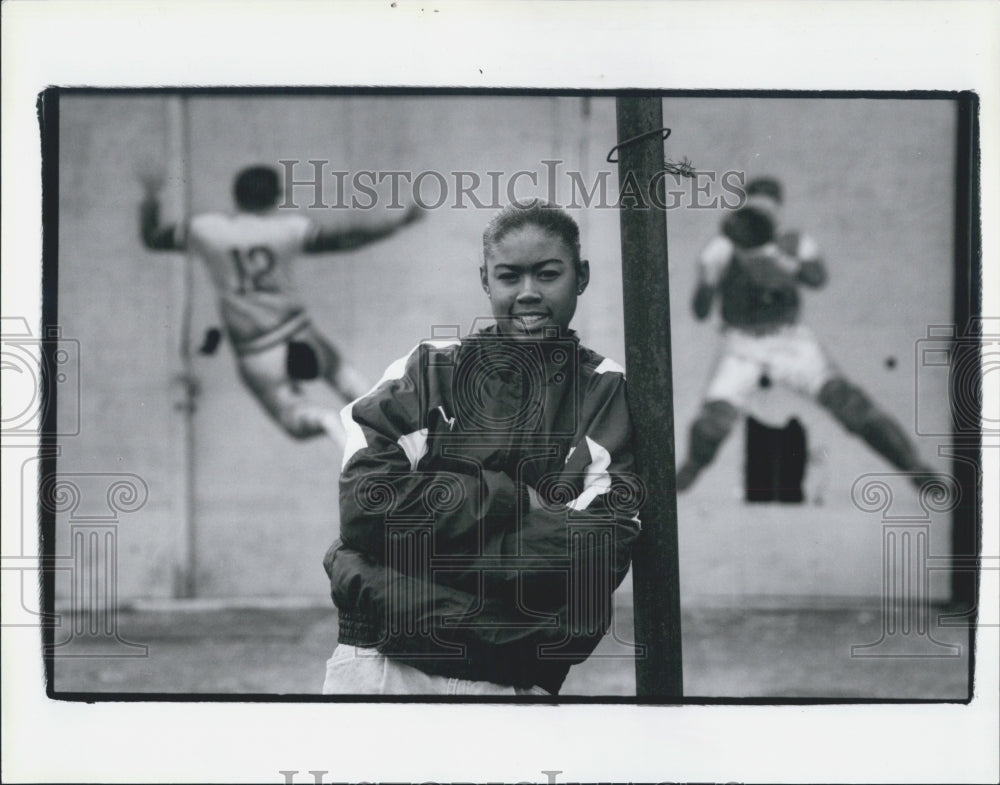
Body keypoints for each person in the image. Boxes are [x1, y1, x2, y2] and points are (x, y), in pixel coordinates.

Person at [321, 200, 642, 695]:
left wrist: (411, 549)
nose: (529, 293)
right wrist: (511, 502)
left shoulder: (605, 392)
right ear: (485, 281)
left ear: (581, 276)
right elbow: (364, 506)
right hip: (381, 667)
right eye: (510, 276)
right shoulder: (429, 370)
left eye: (548, 274)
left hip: (512, 681)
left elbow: (600, 550)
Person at [676, 176, 937, 492]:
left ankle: (914, 468)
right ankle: (685, 476)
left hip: (790, 341)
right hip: (742, 343)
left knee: (848, 402)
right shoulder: (722, 247)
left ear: (777, 211)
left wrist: (784, 264)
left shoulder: (793, 242)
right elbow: (701, 311)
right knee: (715, 416)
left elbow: (818, 278)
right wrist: (706, 280)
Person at [138, 164, 422, 445]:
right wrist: (394, 225)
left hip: (256, 349)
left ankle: (324, 420)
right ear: (277, 196)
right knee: (340, 374)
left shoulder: (206, 230)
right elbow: (343, 239)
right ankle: (403, 427)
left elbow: (152, 239)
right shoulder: (287, 229)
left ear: (237, 196)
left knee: (292, 415)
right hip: (297, 332)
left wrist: (151, 197)